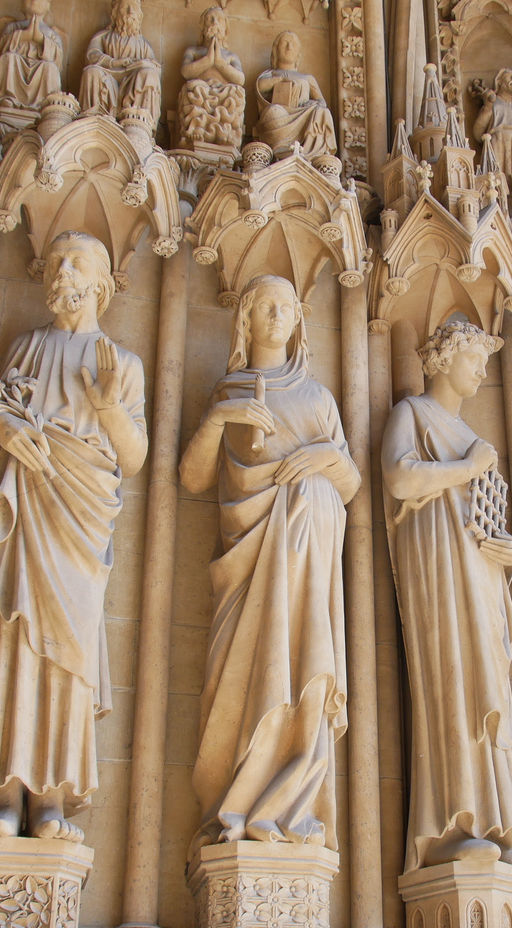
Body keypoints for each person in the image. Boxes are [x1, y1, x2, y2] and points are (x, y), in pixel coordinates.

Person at [0, 231, 146, 844]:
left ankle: (52, 801)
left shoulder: (121, 362)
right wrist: (5, 429)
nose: (63, 271)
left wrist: (111, 407)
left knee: (68, 655)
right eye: (58, 260)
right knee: (13, 641)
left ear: (101, 282)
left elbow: (136, 455)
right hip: (24, 506)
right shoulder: (28, 347)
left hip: (80, 515)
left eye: (78, 261)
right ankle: (4, 791)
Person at [180, 274, 357, 854]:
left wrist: (326, 457)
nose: (278, 316)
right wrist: (217, 422)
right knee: (242, 679)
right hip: (247, 561)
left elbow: (350, 483)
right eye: (266, 307)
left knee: (305, 666)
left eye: (288, 307)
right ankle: (236, 804)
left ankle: (289, 808)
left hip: (309, 563)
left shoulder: (318, 398)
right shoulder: (230, 391)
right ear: (247, 320)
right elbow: (193, 478)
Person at [382, 316, 512, 873]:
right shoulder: (412, 415)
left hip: (479, 576)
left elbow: (487, 519)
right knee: (451, 684)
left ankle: (497, 820)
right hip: (436, 570)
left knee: (486, 688)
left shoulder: (478, 443)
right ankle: (452, 823)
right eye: (475, 358)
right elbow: (400, 480)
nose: (483, 369)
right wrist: (465, 467)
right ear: (444, 358)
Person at [79, 0, 161, 131]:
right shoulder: (104, 36)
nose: (129, 12)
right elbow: (91, 55)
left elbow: (156, 68)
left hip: (132, 80)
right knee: (91, 71)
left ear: (139, 16)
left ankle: (139, 122)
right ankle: (93, 118)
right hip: (108, 75)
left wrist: (143, 63)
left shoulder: (143, 44)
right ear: (115, 13)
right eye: (125, 7)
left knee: (149, 74)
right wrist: (113, 62)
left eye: (133, 8)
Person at [254, 31, 338, 158]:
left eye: (293, 44)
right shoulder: (271, 74)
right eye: (285, 43)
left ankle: (312, 153)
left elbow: (321, 101)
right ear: (276, 51)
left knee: (323, 112)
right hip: (281, 115)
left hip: (304, 113)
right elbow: (260, 87)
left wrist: (312, 104)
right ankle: (280, 148)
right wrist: (281, 79)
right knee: (273, 111)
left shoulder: (307, 78)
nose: (289, 47)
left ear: (298, 53)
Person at [177, 6, 246, 155]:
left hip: (224, 93)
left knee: (236, 92)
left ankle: (225, 133)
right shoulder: (193, 51)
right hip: (201, 92)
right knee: (194, 87)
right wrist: (208, 60)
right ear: (202, 26)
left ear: (225, 28)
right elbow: (186, 72)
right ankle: (197, 129)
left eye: (219, 20)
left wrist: (219, 61)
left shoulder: (231, 56)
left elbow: (240, 79)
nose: (214, 22)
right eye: (210, 19)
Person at [470, 69, 512, 216]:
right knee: (496, 176)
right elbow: (478, 131)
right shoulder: (494, 104)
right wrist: (487, 107)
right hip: (498, 141)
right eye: (511, 77)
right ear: (499, 82)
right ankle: (496, 211)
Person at [0, 0, 64, 115]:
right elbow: (1, 48)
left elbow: (58, 59)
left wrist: (40, 38)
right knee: (8, 58)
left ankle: (43, 104)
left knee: (50, 67)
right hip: (16, 66)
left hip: (40, 69)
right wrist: (23, 35)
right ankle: (7, 98)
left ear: (48, 6)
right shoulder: (12, 27)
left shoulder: (51, 34)